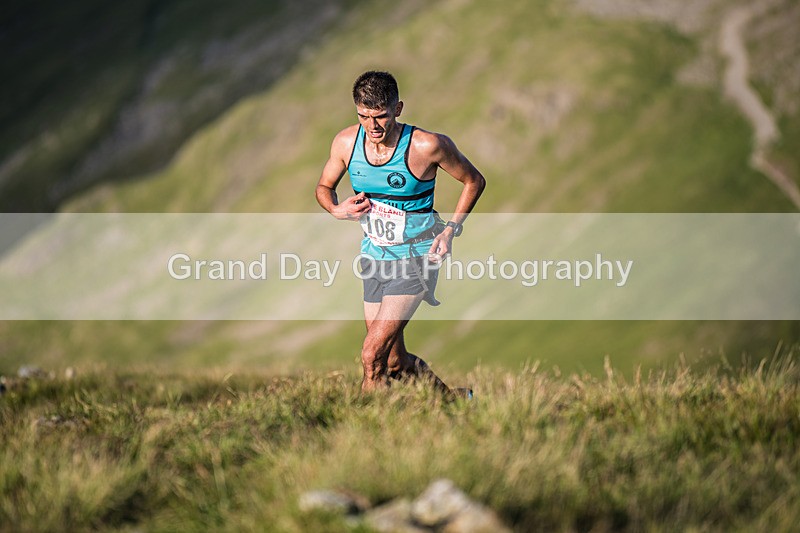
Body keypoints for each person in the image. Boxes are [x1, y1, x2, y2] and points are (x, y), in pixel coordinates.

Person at [315, 71, 485, 394]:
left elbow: (474, 181)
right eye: (364, 117)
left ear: (398, 108)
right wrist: (338, 209)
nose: (373, 126)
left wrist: (450, 230)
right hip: (374, 256)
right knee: (393, 360)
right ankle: (456, 403)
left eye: (380, 117)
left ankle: (365, 429)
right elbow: (324, 187)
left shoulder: (427, 145)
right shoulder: (345, 143)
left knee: (371, 355)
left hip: (418, 257)